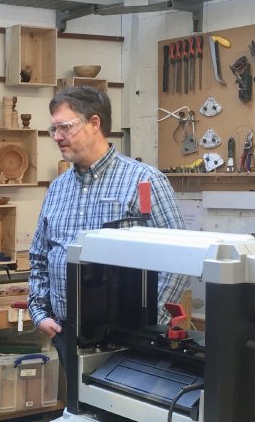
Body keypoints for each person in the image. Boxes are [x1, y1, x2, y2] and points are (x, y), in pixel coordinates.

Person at [28, 86, 187, 365]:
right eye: (53, 130)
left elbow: (177, 261)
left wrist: (149, 321)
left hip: (126, 337)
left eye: (64, 127)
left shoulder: (144, 181)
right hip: (65, 331)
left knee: (119, 408)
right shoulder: (57, 189)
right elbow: (40, 255)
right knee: (77, 410)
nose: (57, 137)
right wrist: (39, 313)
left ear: (94, 123)